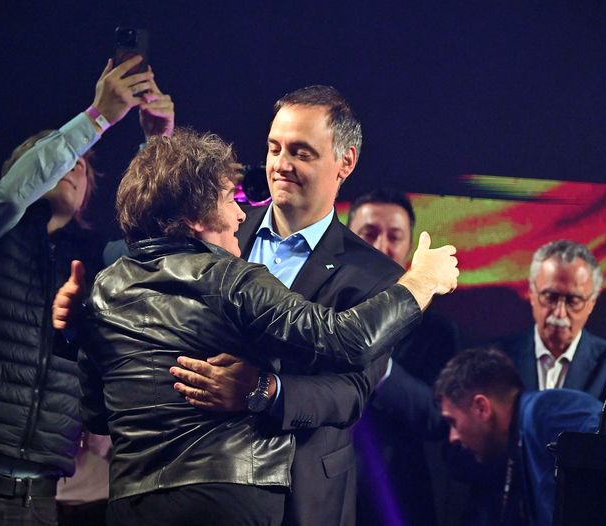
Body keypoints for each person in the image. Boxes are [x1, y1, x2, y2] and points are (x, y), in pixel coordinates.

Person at [54, 127, 459, 525]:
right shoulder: (232, 274)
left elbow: (97, 415)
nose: (240, 211)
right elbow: (346, 338)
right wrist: (422, 282)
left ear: (344, 162)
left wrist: (76, 332)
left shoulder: (105, 286)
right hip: (226, 497)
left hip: (133, 502)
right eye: (229, 198)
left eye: (302, 152)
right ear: (196, 216)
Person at [0, 55, 173, 526]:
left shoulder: (92, 256)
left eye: (81, 164)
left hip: (35, 497)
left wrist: (159, 144)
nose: (70, 166)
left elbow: (160, 248)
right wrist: (97, 117)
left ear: (89, 193)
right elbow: (10, 195)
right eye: (55, 156)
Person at [167, 86, 431, 525]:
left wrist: (263, 391)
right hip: (196, 480)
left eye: (301, 153)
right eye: (274, 148)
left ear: (345, 162)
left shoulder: (377, 275)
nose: (281, 165)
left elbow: (352, 393)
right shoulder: (219, 229)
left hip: (299, 493)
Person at [348, 188, 459, 526]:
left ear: (409, 247)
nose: (382, 246)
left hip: (399, 499)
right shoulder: (313, 308)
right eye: (369, 234)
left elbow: (437, 417)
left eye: (394, 236)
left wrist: (379, 368)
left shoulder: (436, 330)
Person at [435, 347, 606, 526]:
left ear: (482, 407)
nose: (453, 437)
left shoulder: (549, 411)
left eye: (452, 422)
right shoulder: (522, 435)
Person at [502, 240, 606, 435]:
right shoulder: (499, 360)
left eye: (573, 300)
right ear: (532, 293)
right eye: (549, 297)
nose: (559, 313)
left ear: (592, 304)